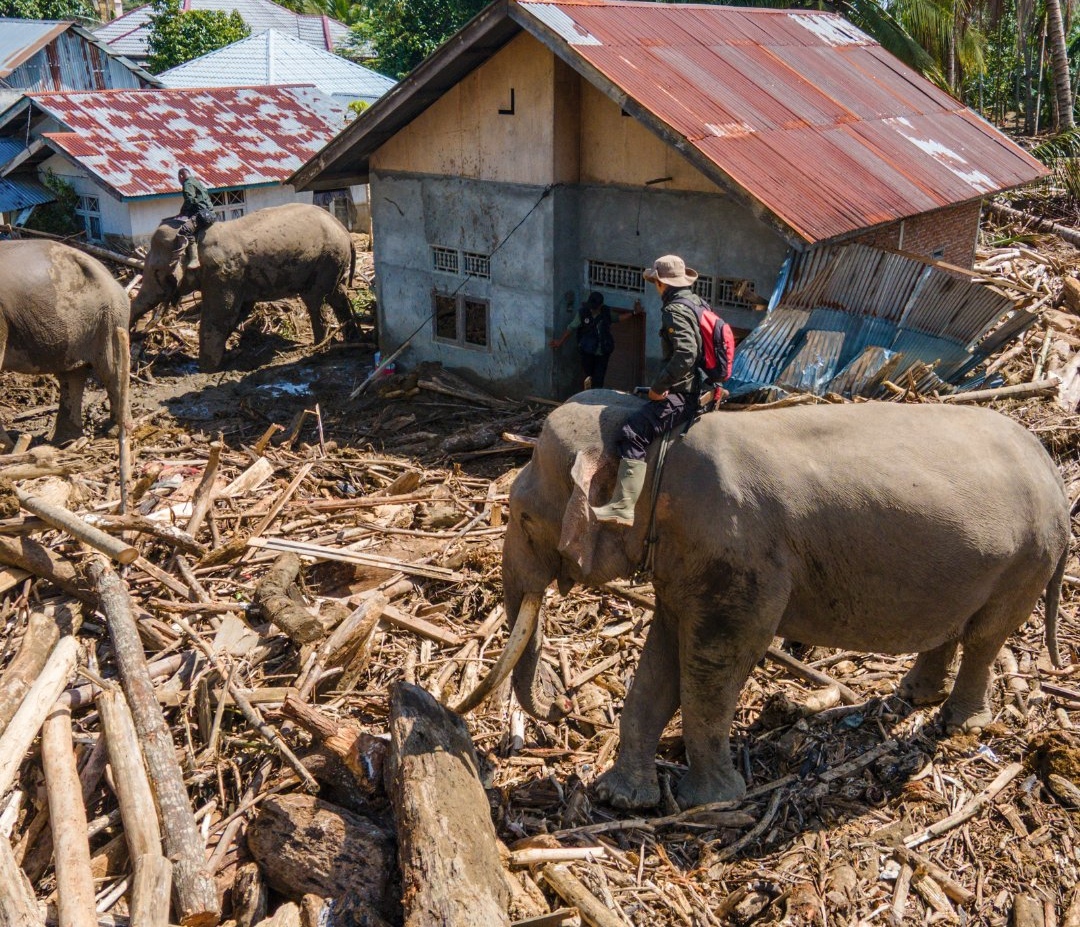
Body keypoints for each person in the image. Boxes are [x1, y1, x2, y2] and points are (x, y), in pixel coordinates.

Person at [592, 255, 704, 526]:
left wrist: (658, 387)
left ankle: (623, 507)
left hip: (684, 391)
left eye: (655, 282)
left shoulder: (674, 310)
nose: (655, 286)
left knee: (633, 433)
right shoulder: (698, 303)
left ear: (661, 283)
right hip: (700, 385)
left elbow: (686, 354)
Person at [550, 291, 643, 390]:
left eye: (594, 307)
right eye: (591, 307)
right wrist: (560, 342)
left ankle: (596, 394)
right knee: (589, 377)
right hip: (587, 352)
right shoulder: (583, 313)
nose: (592, 309)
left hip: (602, 352)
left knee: (599, 379)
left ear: (600, 306)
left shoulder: (606, 312)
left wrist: (633, 313)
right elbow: (571, 328)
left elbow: (618, 318)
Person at [174, 167, 216, 270]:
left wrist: (182, 213)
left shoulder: (187, 183)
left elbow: (190, 200)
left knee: (185, 230)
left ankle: (194, 259)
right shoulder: (197, 182)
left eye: (179, 179)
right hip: (210, 213)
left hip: (202, 215)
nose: (179, 181)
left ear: (181, 176)